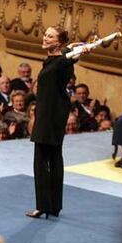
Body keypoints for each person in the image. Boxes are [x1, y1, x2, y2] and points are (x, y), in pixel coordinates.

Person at [27, 26, 89, 219]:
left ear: (58, 41)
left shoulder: (63, 60)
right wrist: (71, 46)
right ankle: (53, 206)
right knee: (54, 158)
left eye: (50, 36)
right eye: (45, 34)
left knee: (41, 160)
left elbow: (69, 56)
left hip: (49, 114)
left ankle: (43, 206)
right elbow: (66, 52)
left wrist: (79, 50)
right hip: (52, 112)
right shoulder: (57, 57)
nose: (45, 38)